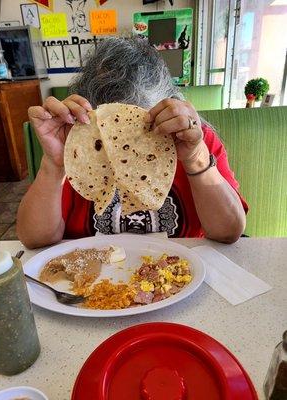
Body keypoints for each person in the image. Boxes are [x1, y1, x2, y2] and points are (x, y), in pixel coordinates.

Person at [17, 37, 247, 249]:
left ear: (170, 103)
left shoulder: (195, 140)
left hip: (181, 273)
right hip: (95, 280)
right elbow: (35, 239)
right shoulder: (76, 148)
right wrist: (54, 164)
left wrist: (196, 159)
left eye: (146, 131)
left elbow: (229, 232)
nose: (126, 145)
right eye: (107, 136)